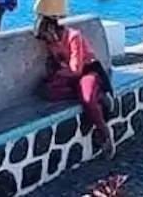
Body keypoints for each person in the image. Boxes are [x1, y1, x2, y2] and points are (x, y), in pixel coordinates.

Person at [35, 16, 116, 159]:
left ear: (51, 29)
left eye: (45, 35)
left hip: (87, 70)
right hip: (69, 75)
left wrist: (59, 73)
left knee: (87, 99)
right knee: (47, 92)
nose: (45, 40)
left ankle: (105, 133)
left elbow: (76, 69)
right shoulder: (52, 43)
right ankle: (94, 94)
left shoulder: (73, 36)